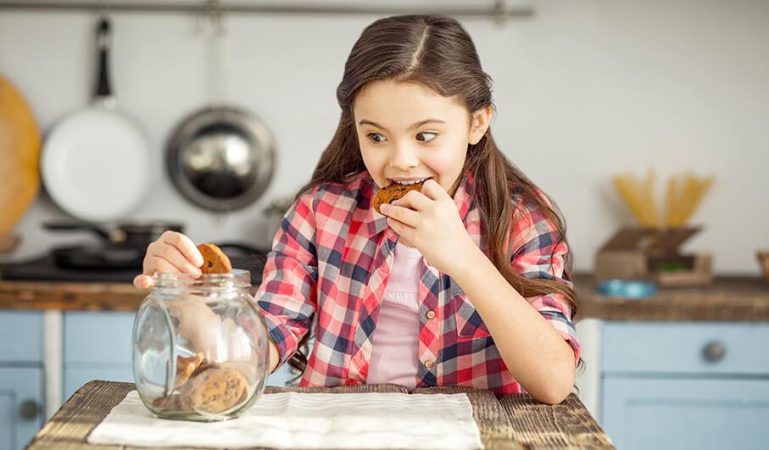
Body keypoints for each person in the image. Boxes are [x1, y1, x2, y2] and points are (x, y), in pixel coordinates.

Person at [134, 14, 580, 405]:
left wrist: (463, 257)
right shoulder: (317, 213)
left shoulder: (521, 219)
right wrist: (186, 300)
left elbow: (553, 382)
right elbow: (254, 355)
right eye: (377, 136)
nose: (401, 160)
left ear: (476, 123)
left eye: (426, 136)